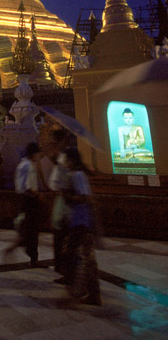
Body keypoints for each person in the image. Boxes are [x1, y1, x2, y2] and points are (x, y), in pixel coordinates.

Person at [62, 147, 102, 305]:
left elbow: (85, 197)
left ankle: (89, 292)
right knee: (81, 256)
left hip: (81, 222)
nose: (65, 162)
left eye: (66, 159)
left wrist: (68, 195)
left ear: (71, 160)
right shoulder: (75, 175)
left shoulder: (78, 175)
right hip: (78, 221)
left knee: (81, 256)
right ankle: (88, 291)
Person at [4, 142, 46, 266]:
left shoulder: (21, 164)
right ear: (33, 154)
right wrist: (39, 195)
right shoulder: (30, 166)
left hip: (22, 200)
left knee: (27, 228)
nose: (39, 156)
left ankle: (18, 249)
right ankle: (33, 258)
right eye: (37, 153)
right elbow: (29, 187)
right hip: (30, 200)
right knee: (32, 230)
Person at [47, 128, 70, 280]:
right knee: (60, 237)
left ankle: (66, 271)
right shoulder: (61, 158)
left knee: (62, 238)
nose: (51, 144)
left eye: (53, 141)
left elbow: (56, 183)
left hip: (65, 202)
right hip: (61, 201)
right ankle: (63, 270)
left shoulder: (65, 158)